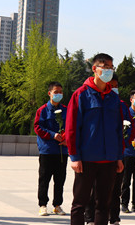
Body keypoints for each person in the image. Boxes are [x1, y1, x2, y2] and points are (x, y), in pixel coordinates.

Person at [66, 53, 124, 225]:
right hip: (87, 159)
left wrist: (119, 157)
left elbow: (118, 130)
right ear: (94, 69)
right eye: (105, 67)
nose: (108, 71)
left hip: (109, 159)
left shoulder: (114, 98)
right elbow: (71, 128)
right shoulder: (81, 95)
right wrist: (75, 157)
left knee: (104, 205)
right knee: (79, 204)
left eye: (111, 68)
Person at [84, 75, 132, 225]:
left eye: (115, 85)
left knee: (116, 188)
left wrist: (124, 142)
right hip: (96, 153)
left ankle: (115, 217)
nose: (113, 87)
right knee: (94, 189)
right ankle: (90, 217)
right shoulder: (90, 98)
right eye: (110, 84)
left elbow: (130, 127)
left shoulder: (120, 103)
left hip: (116, 153)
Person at [34, 81, 69, 216]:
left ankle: (57, 205)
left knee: (60, 179)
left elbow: (71, 126)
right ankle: (43, 204)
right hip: (47, 150)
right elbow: (38, 127)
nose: (58, 94)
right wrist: (53, 135)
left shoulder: (66, 110)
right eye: (56, 92)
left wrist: (65, 138)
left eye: (60, 92)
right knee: (44, 178)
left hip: (62, 151)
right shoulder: (42, 110)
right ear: (49, 93)